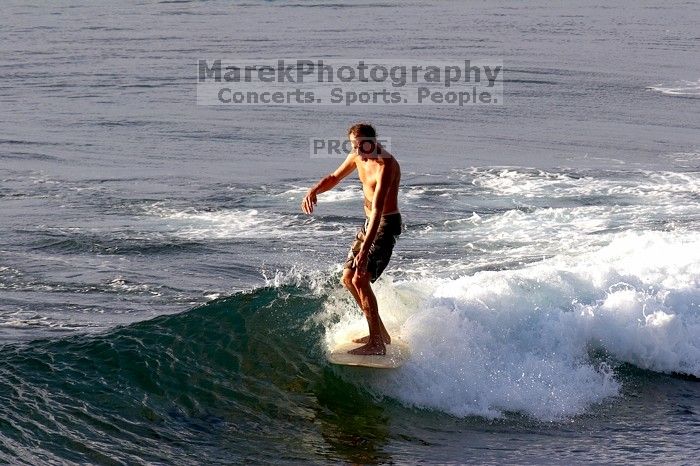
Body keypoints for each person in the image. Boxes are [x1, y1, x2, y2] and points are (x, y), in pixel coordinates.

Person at [301, 123, 402, 355]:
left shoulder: (386, 165)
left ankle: (377, 344)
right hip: (369, 224)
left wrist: (365, 252)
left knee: (361, 277)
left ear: (374, 141)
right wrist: (313, 190)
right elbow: (334, 177)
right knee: (348, 278)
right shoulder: (357, 156)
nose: (358, 150)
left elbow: (377, 211)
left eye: (362, 145)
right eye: (354, 146)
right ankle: (380, 333)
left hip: (384, 224)